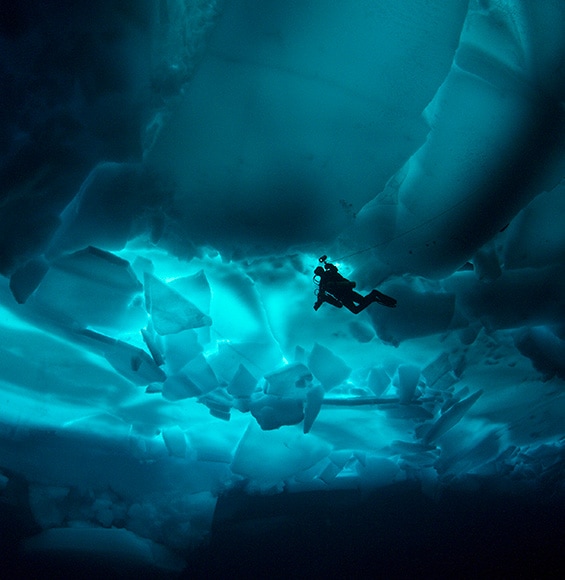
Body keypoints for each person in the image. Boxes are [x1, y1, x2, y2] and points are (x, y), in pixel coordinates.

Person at [313, 258, 396, 313]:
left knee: (357, 308)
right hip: (345, 294)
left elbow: (321, 295)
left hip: (345, 294)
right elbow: (321, 295)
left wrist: (318, 304)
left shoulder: (328, 275)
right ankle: (374, 296)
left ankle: (374, 296)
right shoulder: (325, 279)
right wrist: (318, 304)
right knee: (361, 304)